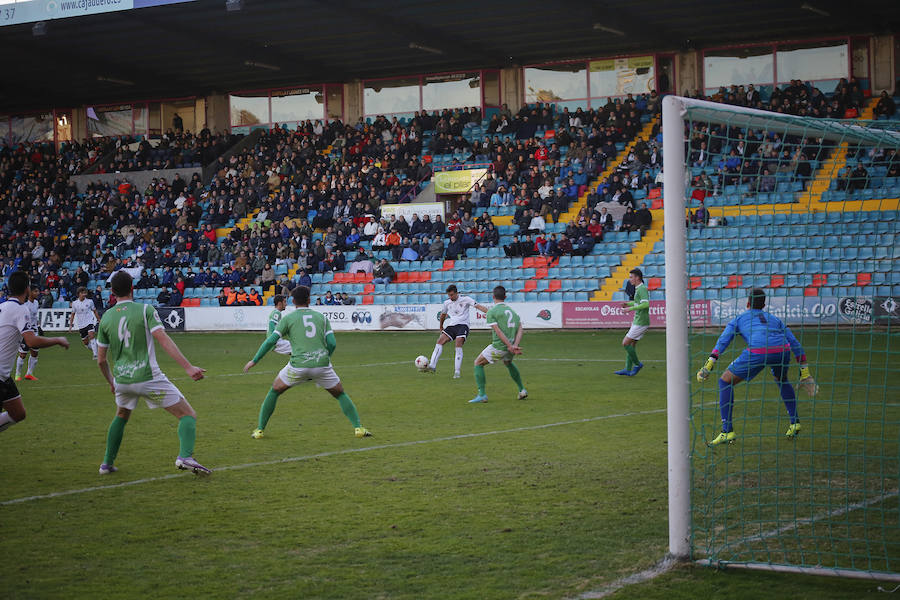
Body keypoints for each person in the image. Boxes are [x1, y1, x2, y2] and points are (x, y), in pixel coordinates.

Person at [95, 271, 210, 475]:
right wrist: (188, 367)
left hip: (122, 380)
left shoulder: (106, 318)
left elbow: (101, 360)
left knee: (121, 414)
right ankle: (185, 456)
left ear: (112, 292)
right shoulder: (145, 309)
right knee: (187, 415)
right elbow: (163, 338)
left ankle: (106, 463)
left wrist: (111, 382)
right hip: (148, 378)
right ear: (133, 288)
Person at [243, 285, 372, 439]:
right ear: (309, 299)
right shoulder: (322, 318)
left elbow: (271, 341)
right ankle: (358, 428)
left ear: (293, 301)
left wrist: (254, 360)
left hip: (298, 366)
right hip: (322, 365)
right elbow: (332, 343)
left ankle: (259, 430)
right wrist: (325, 358)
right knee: (340, 394)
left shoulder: (288, 319)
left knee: (275, 390)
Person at [698, 288, 817, 446]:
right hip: (783, 350)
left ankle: (727, 431)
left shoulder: (739, 318)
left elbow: (723, 340)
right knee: (781, 379)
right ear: (764, 305)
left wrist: (709, 364)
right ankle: (794, 422)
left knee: (725, 381)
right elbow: (794, 342)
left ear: (747, 303)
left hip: (759, 350)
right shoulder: (775, 319)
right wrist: (805, 371)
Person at [0, 272, 70, 434]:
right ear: (27, 289)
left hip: (4, 376)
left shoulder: (3, 306)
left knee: (18, 413)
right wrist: (57, 340)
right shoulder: (20, 309)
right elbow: (31, 341)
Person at [468, 286, 527, 404]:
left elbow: (498, 331)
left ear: (493, 297)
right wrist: (514, 345)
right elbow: (520, 328)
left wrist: (509, 346)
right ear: (505, 297)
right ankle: (522, 390)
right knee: (508, 362)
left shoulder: (492, 312)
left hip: (500, 346)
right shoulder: (513, 312)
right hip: (511, 346)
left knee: (478, 363)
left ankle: (482, 395)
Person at [425, 284, 480, 379]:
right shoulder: (447, 303)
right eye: (449, 295)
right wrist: (441, 326)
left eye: (452, 295)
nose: (450, 297)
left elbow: (478, 306)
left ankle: (457, 372)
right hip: (452, 325)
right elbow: (443, 314)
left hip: (463, 325)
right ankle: (432, 365)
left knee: (458, 343)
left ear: (456, 293)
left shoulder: (466, 299)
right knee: (440, 341)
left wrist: (489, 312)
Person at [615, 269, 649, 377]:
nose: (629, 279)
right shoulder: (638, 288)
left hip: (641, 322)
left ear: (637, 277)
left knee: (625, 343)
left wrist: (630, 309)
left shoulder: (642, 289)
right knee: (631, 345)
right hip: (638, 320)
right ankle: (627, 369)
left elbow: (646, 304)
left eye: (631, 277)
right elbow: (638, 302)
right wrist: (628, 304)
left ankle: (638, 364)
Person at [14, 287, 42, 381]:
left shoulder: (36, 303)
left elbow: (35, 316)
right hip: (25, 332)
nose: (37, 293)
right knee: (23, 354)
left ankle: (29, 374)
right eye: (35, 291)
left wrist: (38, 326)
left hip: (35, 332)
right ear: (30, 293)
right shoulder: (25, 305)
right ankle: (17, 375)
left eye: (38, 291)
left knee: (35, 353)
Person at [69, 286, 101, 360]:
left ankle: (95, 355)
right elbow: (73, 314)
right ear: (79, 294)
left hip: (89, 321)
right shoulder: (75, 303)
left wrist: (98, 319)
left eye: (85, 293)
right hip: (81, 324)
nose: (84, 294)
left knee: (91, 335)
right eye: (83, 293)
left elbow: (94, 311)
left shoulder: (90, 301)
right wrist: (70, 325)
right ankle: (97, 347)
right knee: (86, 343)